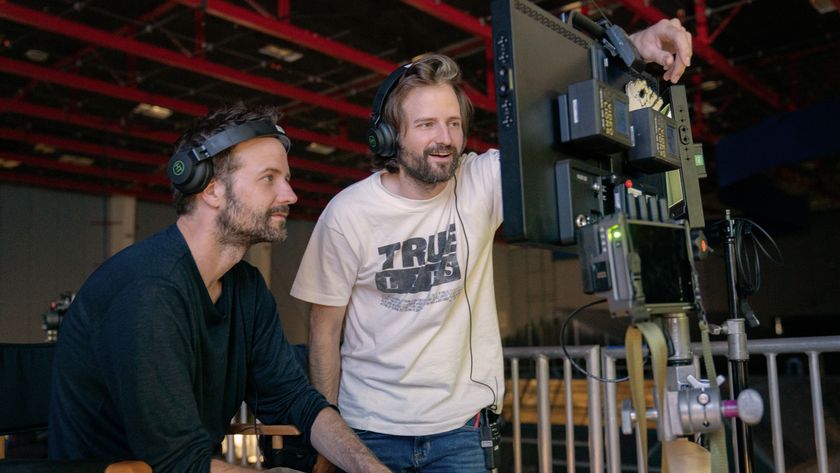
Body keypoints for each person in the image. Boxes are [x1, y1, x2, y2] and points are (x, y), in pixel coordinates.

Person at [290, 17, 693, 472]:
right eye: (425, 124)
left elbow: (562, 127)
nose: (444, 139)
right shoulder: (347, 214)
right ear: (389, 135)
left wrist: (628, 51)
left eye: (453, 123)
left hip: (460, 430)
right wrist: (329, 438)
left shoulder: (480, 180)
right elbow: (323, 333)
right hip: (368, 430)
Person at [48, 104, 389, 473]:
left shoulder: (246, 288)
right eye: (269, 178)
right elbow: (177, 464)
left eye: (286, 178)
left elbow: (295, 400)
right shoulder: (150, 292)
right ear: (211, 190)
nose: (290, 195)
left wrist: (369, 468)